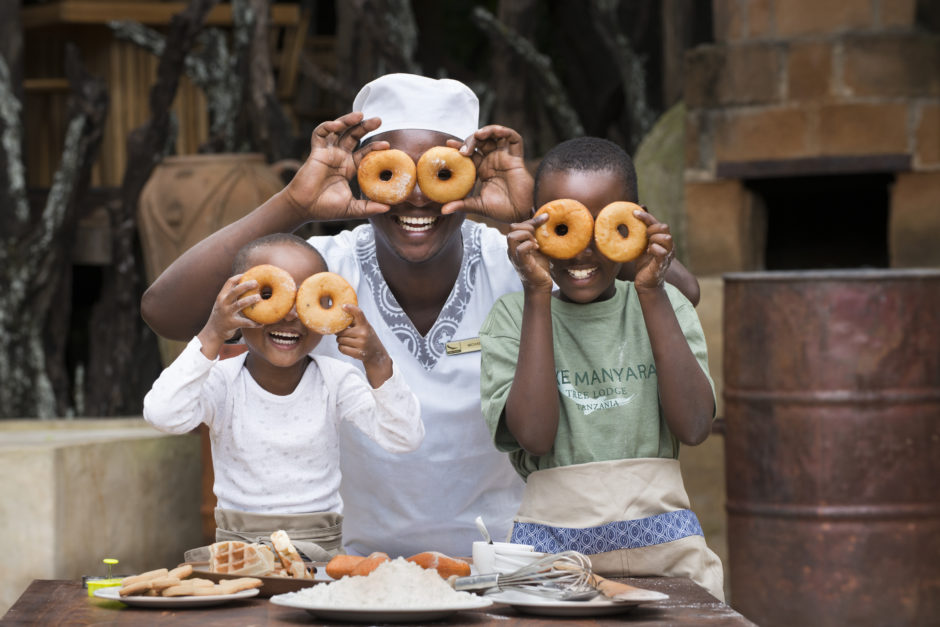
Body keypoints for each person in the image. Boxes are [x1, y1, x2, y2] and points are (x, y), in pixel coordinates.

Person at [140, 73, 699, 558]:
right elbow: (165, 310)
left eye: (437, 171)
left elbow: (682, 294)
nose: (415, 197)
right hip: (350, 564)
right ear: (362, 172)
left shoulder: (522, 266)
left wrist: (540, 212)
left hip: (508, 562)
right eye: (392, 173)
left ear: (472, 173)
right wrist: (296, 204)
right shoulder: (321, 274)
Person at [479, 136, 725, 600]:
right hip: (555, 563)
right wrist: (535, 291)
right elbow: (535, 435)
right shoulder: (513, 317)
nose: (581, 251)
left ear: (637, 222)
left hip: (671, 558)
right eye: (564, 227)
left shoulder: (664, 303)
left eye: (602, 227)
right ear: (532, 228)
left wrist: (651, 289)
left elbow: (693, 426)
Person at [143, 233, 424, 560]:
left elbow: (405, 438)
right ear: (235, 304)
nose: (291, 315)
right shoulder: (223, 382)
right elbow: (162, 414)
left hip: (320, 554)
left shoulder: (334, 381)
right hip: (238, 555)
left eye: (307, 300)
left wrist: (377, 361)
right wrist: (212, 333)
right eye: (269, 295)